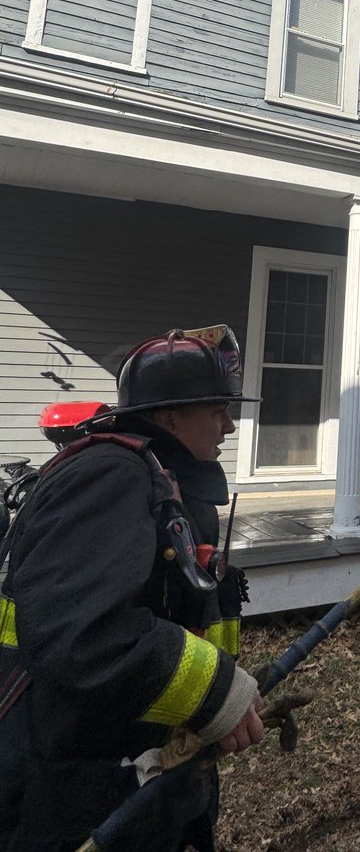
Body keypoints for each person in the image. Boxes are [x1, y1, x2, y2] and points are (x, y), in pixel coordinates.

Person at [0, 325, 265, 852]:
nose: (230, 426)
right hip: (66, 792)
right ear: (169, 417)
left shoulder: (166, 482)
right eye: (217, 411)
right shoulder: (110, 475)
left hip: (136, 774)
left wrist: (210, 705)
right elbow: (82, 634)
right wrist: (215, 691)